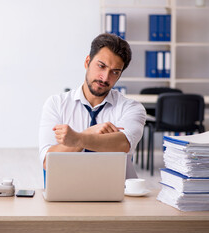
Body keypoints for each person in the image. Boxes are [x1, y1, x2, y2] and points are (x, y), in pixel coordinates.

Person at [39, 33, 146, 185]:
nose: (105, 77)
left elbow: (122, 145)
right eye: (101, 66)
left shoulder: (131, 108)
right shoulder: (56, 104)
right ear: (87, 61)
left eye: (115, 72)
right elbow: (48, 162)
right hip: (67, 191)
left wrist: (76, 139)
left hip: (116, 195)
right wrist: (90, 132)